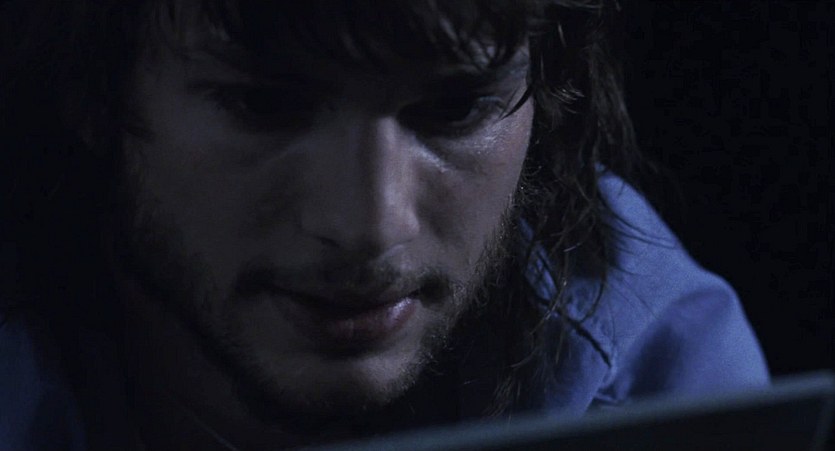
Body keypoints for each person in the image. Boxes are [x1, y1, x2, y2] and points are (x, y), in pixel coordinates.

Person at [0, 0, 770, 449]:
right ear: (95, 95)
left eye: (453, 108)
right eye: (264, 106)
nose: (370, 229)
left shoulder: (641, 374)